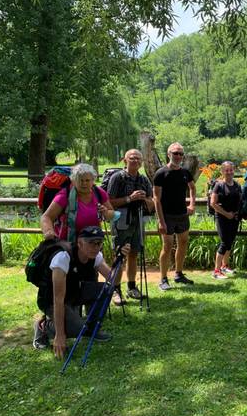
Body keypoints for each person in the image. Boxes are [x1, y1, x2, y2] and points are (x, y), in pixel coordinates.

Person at [32, 226, 130, 358]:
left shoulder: (96, 256)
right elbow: (58, 299)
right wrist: (60, 335)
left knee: (106, 289)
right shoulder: (62, 258)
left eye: (99, 243)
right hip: (51, 300)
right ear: (79, 243)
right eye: (91, 243)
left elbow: (113, 281)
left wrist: (119, 261)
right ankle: (44, 327)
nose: (95, 247)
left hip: (73, 293)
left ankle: (91, 329)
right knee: (77, 329)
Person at [106, 149, 155, 305]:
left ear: (141, 162)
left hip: (138, 220)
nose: (135, 161)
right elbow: (109, 202)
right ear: (124, 160)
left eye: (138, 158)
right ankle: (115, 290)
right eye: (132, 158)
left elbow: (152, 203)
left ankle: (132, 287)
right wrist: (130, 198)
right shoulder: (117, 178)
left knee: (134, 253)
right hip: (120, 221)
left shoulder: (144, 180)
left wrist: (146, 200)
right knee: (119, 255)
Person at [153, 142, 196, 290]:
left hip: (182, 214)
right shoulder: (161, 173)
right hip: (167, 216)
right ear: (168, 154)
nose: (178, 156)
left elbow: (192, 188)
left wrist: (192, 204)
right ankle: (163, 279)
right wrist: (160, 221)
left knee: (183, 243)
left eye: (180, 154)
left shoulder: (185, 172)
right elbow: (156, 199)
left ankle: (178, 274)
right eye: (175, 153)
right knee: (167, 246)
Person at [40, 163, 115, 242]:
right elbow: (46, 217)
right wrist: (49, 232)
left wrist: (106, 213)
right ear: (73, 180)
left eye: (87, 180)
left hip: (93, 243)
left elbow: (112, 214)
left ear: (93, 180)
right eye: (80, 180)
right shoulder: (64, 195)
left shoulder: (99, 192)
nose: (84, 183)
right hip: (68, 245)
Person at [210, 161, 242, 279]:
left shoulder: (237, 185)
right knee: (224, 243)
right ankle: (216, 271)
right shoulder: (218, 185)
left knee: (229, 242)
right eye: (226, 170)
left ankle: (224, 266)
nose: (229, 172)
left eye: (231, 170)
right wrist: (226, 214)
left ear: (234, 170)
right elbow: (213, 203)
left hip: (234, 218)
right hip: (222, 218)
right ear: (222, 171)